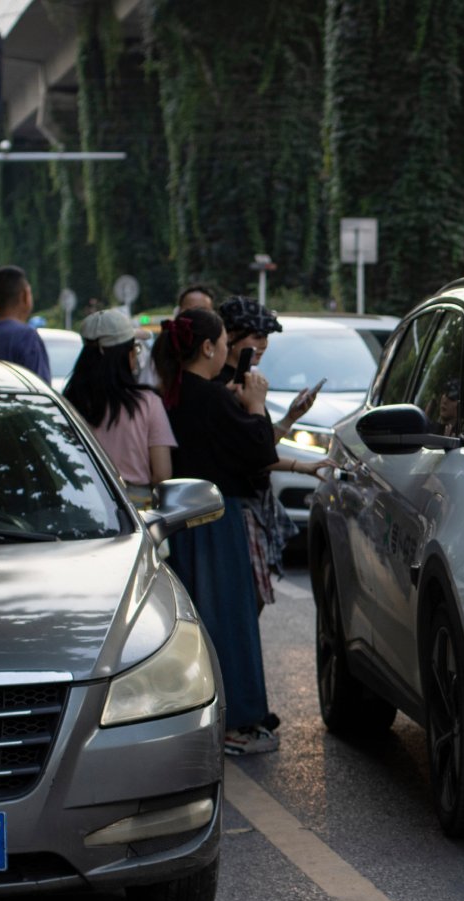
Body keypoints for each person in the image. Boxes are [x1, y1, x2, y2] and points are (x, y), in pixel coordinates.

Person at [153, 307, 282, 756]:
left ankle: (199, 716)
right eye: (224, 342)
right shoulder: (211, 397)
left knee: (192, 625)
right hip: (215, 515)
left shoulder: (171, 393)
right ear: (208, 348)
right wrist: (256, 407)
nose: (228, 349)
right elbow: (257, 453)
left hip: (177, 520)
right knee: (229, 619)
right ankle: (237, 721)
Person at [215, 296, 326, 608]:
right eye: (256, 336)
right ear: (231, 337)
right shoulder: (224, 388)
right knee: (246, 599)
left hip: (254, 504)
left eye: (266, 338)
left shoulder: (248, 381)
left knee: (254, 598)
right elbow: (253, 453)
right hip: (237, 507)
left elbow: (260, 446)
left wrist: (291, 418)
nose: (262, 345)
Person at [63, 309, 175, 507]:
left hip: (81, 503)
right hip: (136, 510)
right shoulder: (148, 403)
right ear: (127, 356)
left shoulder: (67, 404)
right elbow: (162, 474)